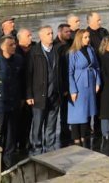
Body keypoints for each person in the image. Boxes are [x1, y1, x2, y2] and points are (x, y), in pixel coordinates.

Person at [25, 25, 63, 154]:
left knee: (51, 123)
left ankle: (50, 146)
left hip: (55, 94)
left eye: (52, 33)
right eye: (48, 34)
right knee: (38, 123)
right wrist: (29, 95)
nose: (51, 36)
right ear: (40, 36)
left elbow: (61, 71)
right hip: (39, 94)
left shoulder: (57, 50)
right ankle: (37, 146)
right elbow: (28, 75)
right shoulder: (34, 52)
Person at [0, 36, 24, 169]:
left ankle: (9, 160)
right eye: (10, 45)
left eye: (14, 44)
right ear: (2, 47)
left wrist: (22, 97)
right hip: (0, 103)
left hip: (15, 101)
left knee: (12, 133)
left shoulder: (19, 59)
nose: (14, 46)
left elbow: (22, 79)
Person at [67, 30, 101, 146]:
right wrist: (73, 90)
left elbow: (96, 66)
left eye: (88, 37)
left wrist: (97, 82)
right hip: (78, 84)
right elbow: (70, 73)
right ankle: (76, 137)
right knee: (77, 112)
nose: (88, 39)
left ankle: (83, 135)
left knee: (86, 110)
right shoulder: (73, 53)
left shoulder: (91, 49)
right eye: (85, 37)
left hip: (90, 83)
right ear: (79, 39)